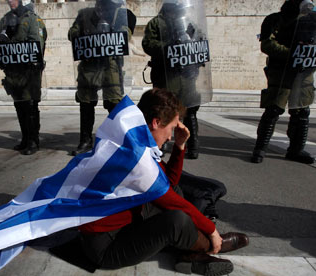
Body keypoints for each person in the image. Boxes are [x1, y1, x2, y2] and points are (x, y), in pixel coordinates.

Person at [78, 89, 249, 275]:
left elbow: (169, 182)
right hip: (106, 246)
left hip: (124, 224)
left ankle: (189, 253)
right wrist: (212, 232)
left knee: (175, 191)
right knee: (176, 220)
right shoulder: (135, 157)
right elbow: (168, 199)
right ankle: (208, 248)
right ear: (156, 122)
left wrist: (179, 146)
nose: (170, 136)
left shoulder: (136, 139)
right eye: (171, 129)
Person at [251, 0, 316, 164]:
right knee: (273, 110)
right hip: (281, 72)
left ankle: (296, 150)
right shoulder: (275, 19)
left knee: (302, 113)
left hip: (304, 73)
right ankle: (260, 149)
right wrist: (294, 53)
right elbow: (267, 44)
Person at [68, 0, 136, 156]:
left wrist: (112, 31)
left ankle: (116, 141)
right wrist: (85, 33)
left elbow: (125, 34)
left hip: (110, 66)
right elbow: (72, 33)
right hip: (89, 64)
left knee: (113, 104)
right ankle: (85, 141)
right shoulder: (84, 14)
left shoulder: (122, 14)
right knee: (86, 103)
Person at [142, 0, 209, 160]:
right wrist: (168, 45)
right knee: (164, 108)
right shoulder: (156, 23)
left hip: (186, 75)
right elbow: (148, 44)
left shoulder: (188, 21)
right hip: (166, 75)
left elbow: (199, 39)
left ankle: (193, 145)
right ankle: (161, 143)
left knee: (190, 110)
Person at [0, 0, 47, 155]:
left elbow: (37, 43)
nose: (11, 1)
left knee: (30, 105)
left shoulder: (32, 19)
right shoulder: (5, 19)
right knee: (19, 106)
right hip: (12, 72)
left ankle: (33, 141)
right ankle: (25, 138)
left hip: (29, 72)